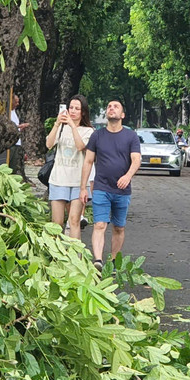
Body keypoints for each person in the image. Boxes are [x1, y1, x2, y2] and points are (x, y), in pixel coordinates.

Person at [80, 99, 142, 269]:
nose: (111, 108)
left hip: (122, 190)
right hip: (101, 187)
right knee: (100, 224)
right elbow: (88, 161)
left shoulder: (131, 136)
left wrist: (128, 176)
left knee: (119, 227)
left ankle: (113, 260)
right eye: (109, 106)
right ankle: (98, 260)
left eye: (115, 106)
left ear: (122, 115)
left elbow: (136, 160)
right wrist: (83, 188)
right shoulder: (97, 135)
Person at [47, 95, 93, 240]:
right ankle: (57, 257)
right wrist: (57, 124)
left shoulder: (88, 131)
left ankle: (76, 258)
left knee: (74, 220)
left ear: (83, 112)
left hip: (78, 182)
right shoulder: (61, 128)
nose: (72, 111)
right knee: (57, 223)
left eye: (77, 108)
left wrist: (73, 126)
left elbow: (81, 147)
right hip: (58, 179)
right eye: (71, 108)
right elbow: (49, 144)